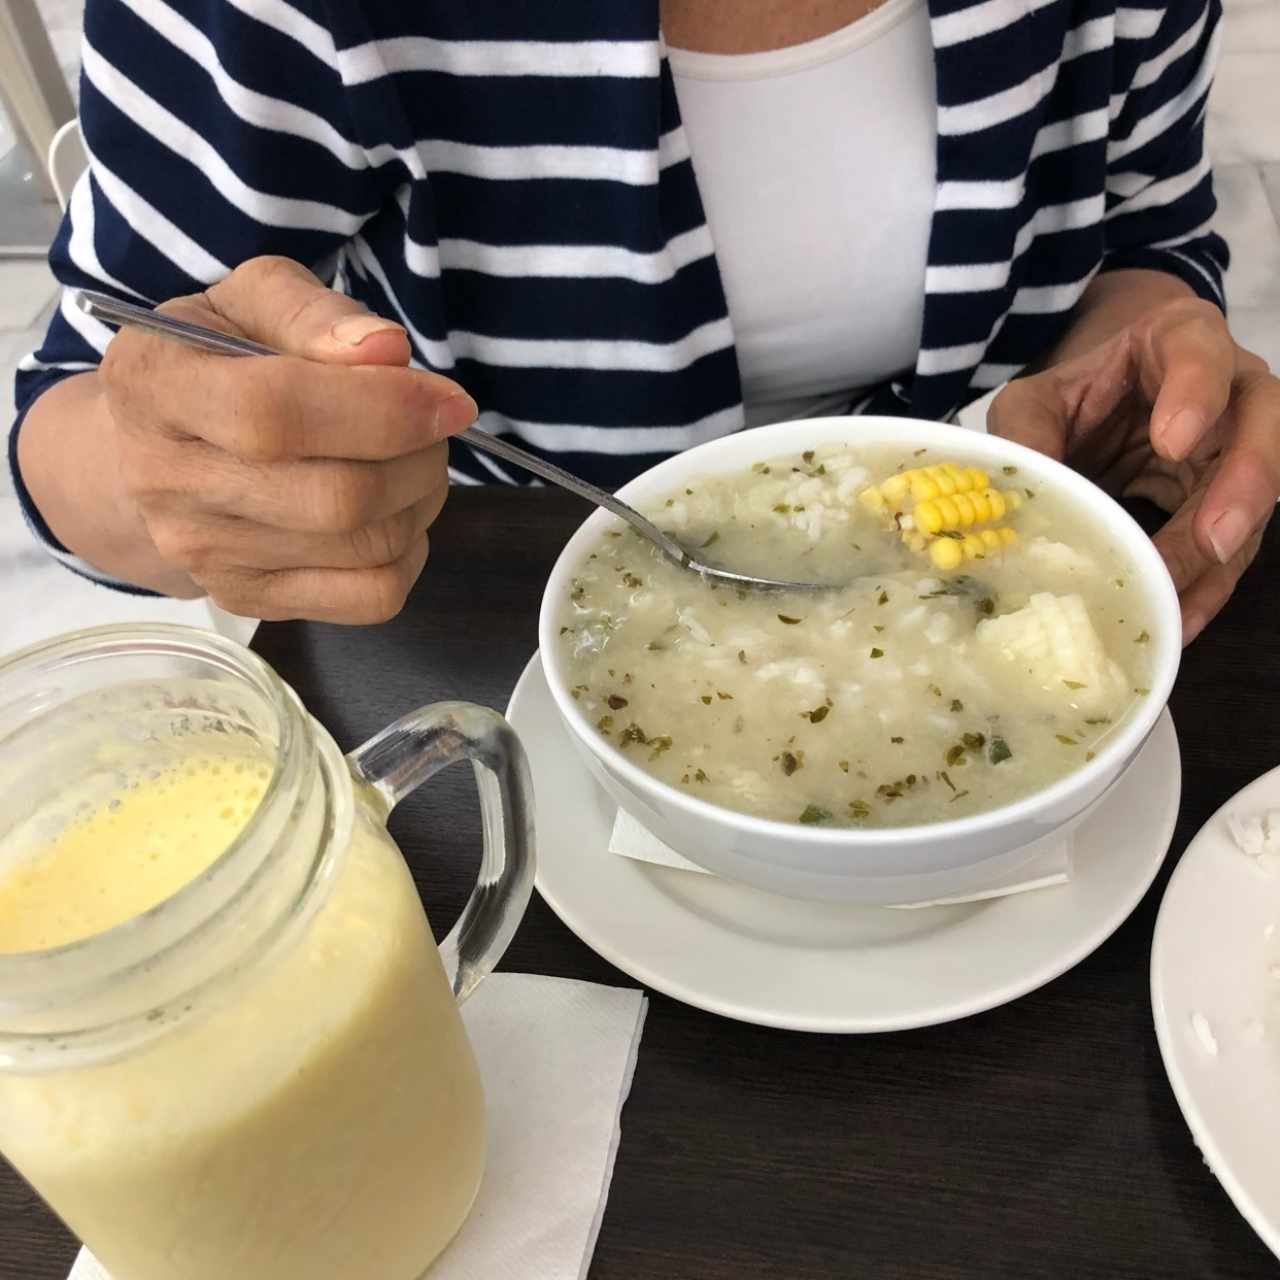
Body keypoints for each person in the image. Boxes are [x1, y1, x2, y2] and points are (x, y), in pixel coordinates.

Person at [9, 0, 1277, 639]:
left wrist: (1156, 332)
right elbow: (71, 403)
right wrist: (172, 466)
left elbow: (1145, 229)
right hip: (496, 647)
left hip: (1010, 602)